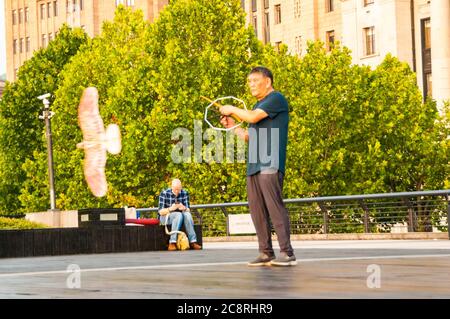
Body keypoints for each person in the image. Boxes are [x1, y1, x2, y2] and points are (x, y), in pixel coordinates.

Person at [219, 66, 296, 266]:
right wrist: (232, 126)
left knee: (274, 206)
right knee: (257, 210)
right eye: (249, 81)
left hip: (270, 163)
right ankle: (265, 252)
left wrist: (232, 109)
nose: (251, 84)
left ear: (268, 82)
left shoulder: (276, 99)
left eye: (255, 80)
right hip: (254, 164)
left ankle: (287, 253)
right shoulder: (258, 106)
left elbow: (252, 117)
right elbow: (248, 136)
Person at [158, 179, 202, 251]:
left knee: (187, 214)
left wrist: (183, 208)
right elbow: (160, 212)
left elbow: (188, 209)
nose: (177, 191)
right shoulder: (164, 193)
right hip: (166, 217)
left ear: (181, 187)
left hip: (180, 216)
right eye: (175, 189)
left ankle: (193, 241)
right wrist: (171, 209)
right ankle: (172, 242)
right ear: (171, 187)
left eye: (178, 189)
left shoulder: (184, 193)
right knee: (178, 215)